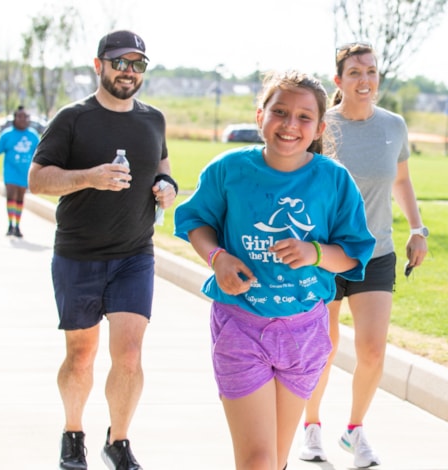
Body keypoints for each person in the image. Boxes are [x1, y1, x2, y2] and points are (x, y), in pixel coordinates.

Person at [173, 70, 375, 470]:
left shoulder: (334, 180)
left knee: (277, 460)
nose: (290, 125)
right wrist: (218, 258)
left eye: (304, 117)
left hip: (304, 331)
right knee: (258, 461)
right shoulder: (228, 170)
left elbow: (353, 254)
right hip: (241, 325)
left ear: (319, 127)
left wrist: (314, 253)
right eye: (279, 112)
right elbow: (196, 222)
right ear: (260, 115)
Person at [28, 30, 177, 470]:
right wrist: (87, 177)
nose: (128, 72)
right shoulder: (72, 118)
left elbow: (163, 169)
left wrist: (167, 188)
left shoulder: (153, 120)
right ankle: (73, 434)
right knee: (81, 355)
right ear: (99, 65)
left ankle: (119, 440)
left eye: (137, 65)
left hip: (135, 254)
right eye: (119, 63)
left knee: (129, 353)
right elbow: (37, 180)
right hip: (79, 253)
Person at [299, 42, 429, 469]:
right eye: (355, 73)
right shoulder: (322, 126)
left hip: (377, 252)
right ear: (338, 81)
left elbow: (403, 180)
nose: (365, 80)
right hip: (327, 252)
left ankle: (353, 430)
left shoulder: (394, 125)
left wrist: (417, 228)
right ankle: (311, 426)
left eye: (371, 72)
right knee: (325, 345)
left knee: (373, 350)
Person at [0, 106, 40, 237]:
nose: (23, 119)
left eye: (26, 117)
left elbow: (39, 155)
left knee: (20, 197)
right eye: (20, 116)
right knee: (11, 195)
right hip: (10, 171)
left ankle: (17, 225)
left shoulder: (33, 135)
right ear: (15, 118)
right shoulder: (7, 134)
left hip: (24, 172)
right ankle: (10, 224)